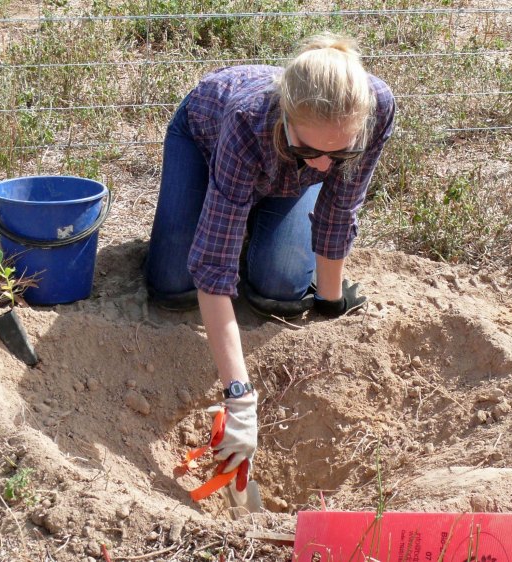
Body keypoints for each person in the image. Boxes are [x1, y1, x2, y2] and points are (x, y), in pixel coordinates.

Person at [144, 33, 395, 491]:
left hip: (282, 178)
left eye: (340, 154)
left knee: (279, 289)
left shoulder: (377, 107)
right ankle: (236, 210)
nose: (323, 166)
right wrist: (239, 397)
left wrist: (330, 300)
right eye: (309, 151)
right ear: (285, 118)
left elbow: (341, 207)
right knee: (171, 286)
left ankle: (256, 215)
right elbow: (215, 269)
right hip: (204, 143)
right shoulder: (246, 119)